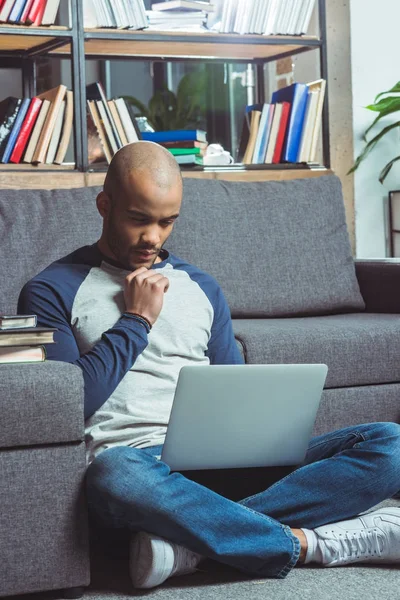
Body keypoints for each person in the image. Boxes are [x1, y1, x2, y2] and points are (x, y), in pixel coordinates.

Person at [18, 142, 400, 590]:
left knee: (388, 442)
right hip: (138, 476)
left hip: (216, 468)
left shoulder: (201, 286)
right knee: (112, 472)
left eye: (167, 222)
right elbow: (67, 404)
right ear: (105, 205)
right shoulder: (51, 289)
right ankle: (309, 544)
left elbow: (232, 390)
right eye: (139, 219)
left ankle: (190, 545)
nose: (153, 238)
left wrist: (258, 439)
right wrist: (137, 320)